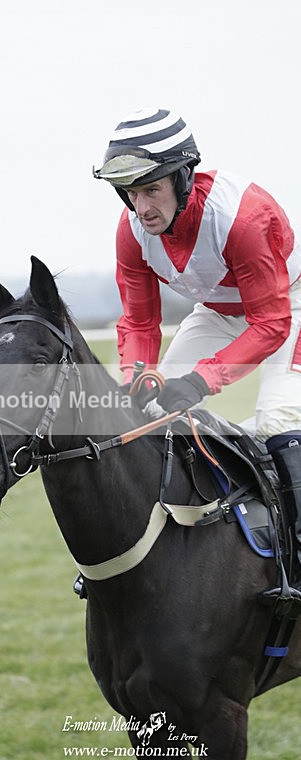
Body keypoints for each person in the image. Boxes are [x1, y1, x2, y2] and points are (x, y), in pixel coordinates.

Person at [93, 108, 301, 613]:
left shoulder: (243, 218)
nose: (140, 207)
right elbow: (140, 322)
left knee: (278, 420)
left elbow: (270, 324)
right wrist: (140, 375)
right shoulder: (132, 231)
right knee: (150, 416)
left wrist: (204, 380)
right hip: (222, 312)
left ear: (184, 175)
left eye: (151, 189)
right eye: (130, 193)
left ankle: (294, 568)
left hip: (290, 308)